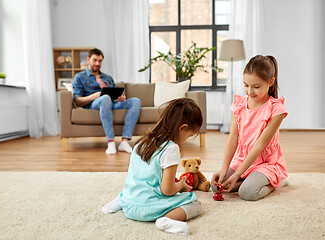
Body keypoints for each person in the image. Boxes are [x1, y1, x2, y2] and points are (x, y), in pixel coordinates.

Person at [101, 98, 204, 235]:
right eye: (189, 135)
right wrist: (181, 186)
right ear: (182, 128)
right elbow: (167, 190)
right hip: (146, 209)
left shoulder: (141, 142)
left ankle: (119, 201)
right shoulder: (171, 148)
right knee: (196, 204)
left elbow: (143, 175)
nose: (187, 139)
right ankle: (166, 220)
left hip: (129, 204)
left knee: (137, 186)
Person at [211, 55, 288, 201]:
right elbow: (232, 139)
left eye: (256, 87)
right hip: (242, 159)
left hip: (264, 162)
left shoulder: (277, 109)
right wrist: (224, 170)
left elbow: (259, 146)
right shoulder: (239, 105)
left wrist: (235, 175)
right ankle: (246, 181)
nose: (250, 91)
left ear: (270, 82)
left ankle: (276, 183)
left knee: (247, 193)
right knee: (215, 185)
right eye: (246, 85)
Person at [73, 48, 141, 154]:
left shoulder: (108, 77)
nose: (97, 63)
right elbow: (77, 101)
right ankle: (111, 142)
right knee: (105, 98)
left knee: (136, 101)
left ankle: (124, 141)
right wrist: (93, 96)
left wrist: (121, 97)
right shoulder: (79, 77)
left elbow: (113, 94)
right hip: (94, 103)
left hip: (112, 103)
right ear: (88, 59)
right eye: (94, 60)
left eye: (100, 61)